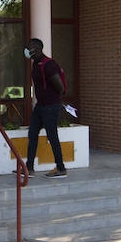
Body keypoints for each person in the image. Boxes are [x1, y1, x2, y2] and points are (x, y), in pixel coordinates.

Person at [25, 38, 68, 178]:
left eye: (29, 48)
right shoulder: (36, 64)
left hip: (51, 106)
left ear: (37, 49)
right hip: (40, 106)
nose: (27, 50)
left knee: (52, 136)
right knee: (32, 134)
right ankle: (29, 168)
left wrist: (53, 101)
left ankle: (61, 168)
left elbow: (60, 87)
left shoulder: (49, 65)